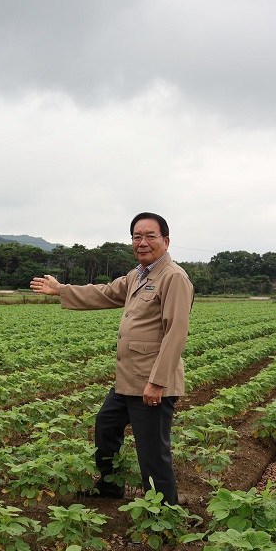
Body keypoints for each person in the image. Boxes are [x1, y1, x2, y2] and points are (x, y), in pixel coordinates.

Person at [30, 212, 193, 505]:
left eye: (149, 236)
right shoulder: (137, 275)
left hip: (152, 381)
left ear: (166, 241)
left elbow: (176, 333)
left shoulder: (174, 278)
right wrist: (61, 289)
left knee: (153, 453)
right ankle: (110, 486)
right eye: (136, 237)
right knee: (106, 427)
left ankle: (164, 519)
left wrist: (157, 382)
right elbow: (104, 293)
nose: (142, 242)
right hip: (127, 378)